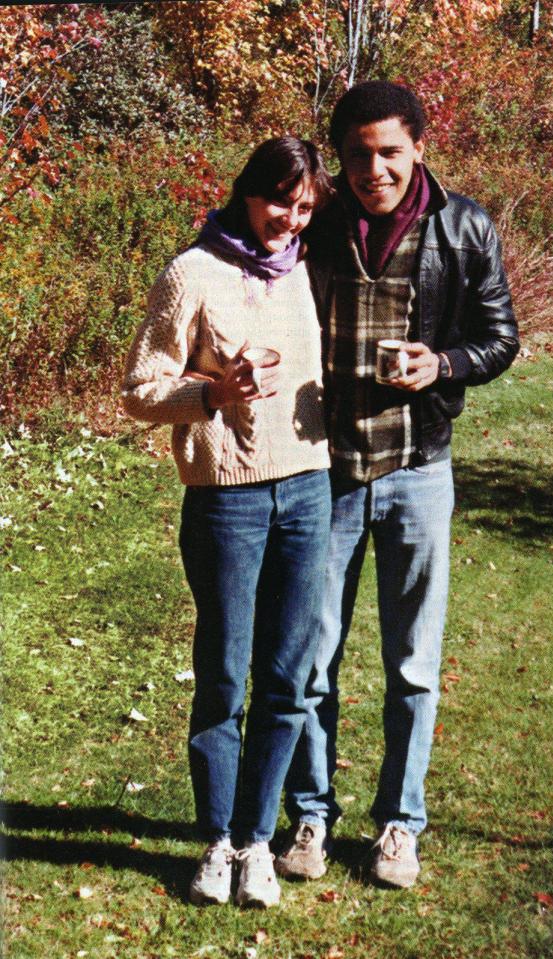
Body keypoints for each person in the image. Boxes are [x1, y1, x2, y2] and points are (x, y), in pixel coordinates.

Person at [276, 82, 520, 888]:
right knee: (312, 658)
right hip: (325, 470)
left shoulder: (464, 225)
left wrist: (442, 363)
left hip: (419, 468)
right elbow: (244, 246)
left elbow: (498, 336)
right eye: (356, 153)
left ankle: (398, 825)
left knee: (413, 663)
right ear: (337, 156)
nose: (373, 169)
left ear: (419, 143)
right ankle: (309, 816)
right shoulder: (317, 220)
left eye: (388, 151)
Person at [121, 137, 334, 908]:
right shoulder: (192, 272)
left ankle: (256, 841)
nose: (290, 219)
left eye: (306, 207)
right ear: (247, 191)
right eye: (280, 200)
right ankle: (216, 838)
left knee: (286, 679)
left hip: (309, 491)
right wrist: (211, 394)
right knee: (222, 676)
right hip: (226, 501)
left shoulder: (314, 268)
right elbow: (141, 390)